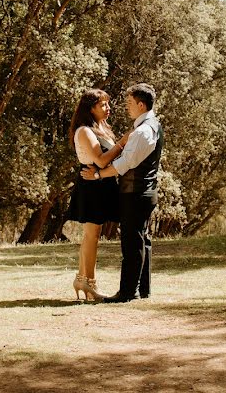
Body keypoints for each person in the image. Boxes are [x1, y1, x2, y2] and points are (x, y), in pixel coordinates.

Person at [81, 83, 163, 303]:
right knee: (142, 241)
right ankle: (142, 290)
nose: (126, 107)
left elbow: (125, 164)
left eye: (129, 103)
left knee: (132, 244)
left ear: (141, 104)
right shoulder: (152, 125)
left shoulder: (143, 131)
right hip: (143, 191)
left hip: (135, 192)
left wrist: (97, 176)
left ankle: (127, 293)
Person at [67, 89, 127, 301]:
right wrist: (124, 141)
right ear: (90, 108)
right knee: (92, 235)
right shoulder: (84, 131)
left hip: (102, 183)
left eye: (107, 104)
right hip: (92, 184)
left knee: (92, 235)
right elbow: (101, 160)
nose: (108, 108)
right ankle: (90, 284)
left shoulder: (101, 128)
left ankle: (82, 279)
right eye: (102, 105)